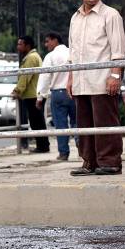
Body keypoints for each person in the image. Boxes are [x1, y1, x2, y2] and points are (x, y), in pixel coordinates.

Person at [67, 0, 125, 176]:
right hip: (80, 80)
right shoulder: (75, 18)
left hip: (103, 79)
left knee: (105, 121)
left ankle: (110, 162)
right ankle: (89, 162)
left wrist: (115, 76)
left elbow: (118, 50)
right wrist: (70, 77)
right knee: (83, 123)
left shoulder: (110, 15)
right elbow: (73, 52)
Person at [37, 32, 77, 161]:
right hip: (74, 91)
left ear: (55, 40)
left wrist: (40, 96)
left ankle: (63, 153)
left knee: (61, 124)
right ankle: (83, 151)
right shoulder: (72, 52)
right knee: (78, 122)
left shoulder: (51, 56)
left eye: (48, 41)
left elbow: (44, 77)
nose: (46, 44)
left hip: (58, 93)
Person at [12, 36, 50, 153]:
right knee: (37, 121)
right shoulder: (33, 56)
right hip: (34, 94)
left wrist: (17, 90)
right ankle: (43, 145)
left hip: (32, 95)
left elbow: (25, 76)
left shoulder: (31, 58)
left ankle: (42, 146)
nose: (18, 47)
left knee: (36, 122)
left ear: (27, 45)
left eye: (20, 44)